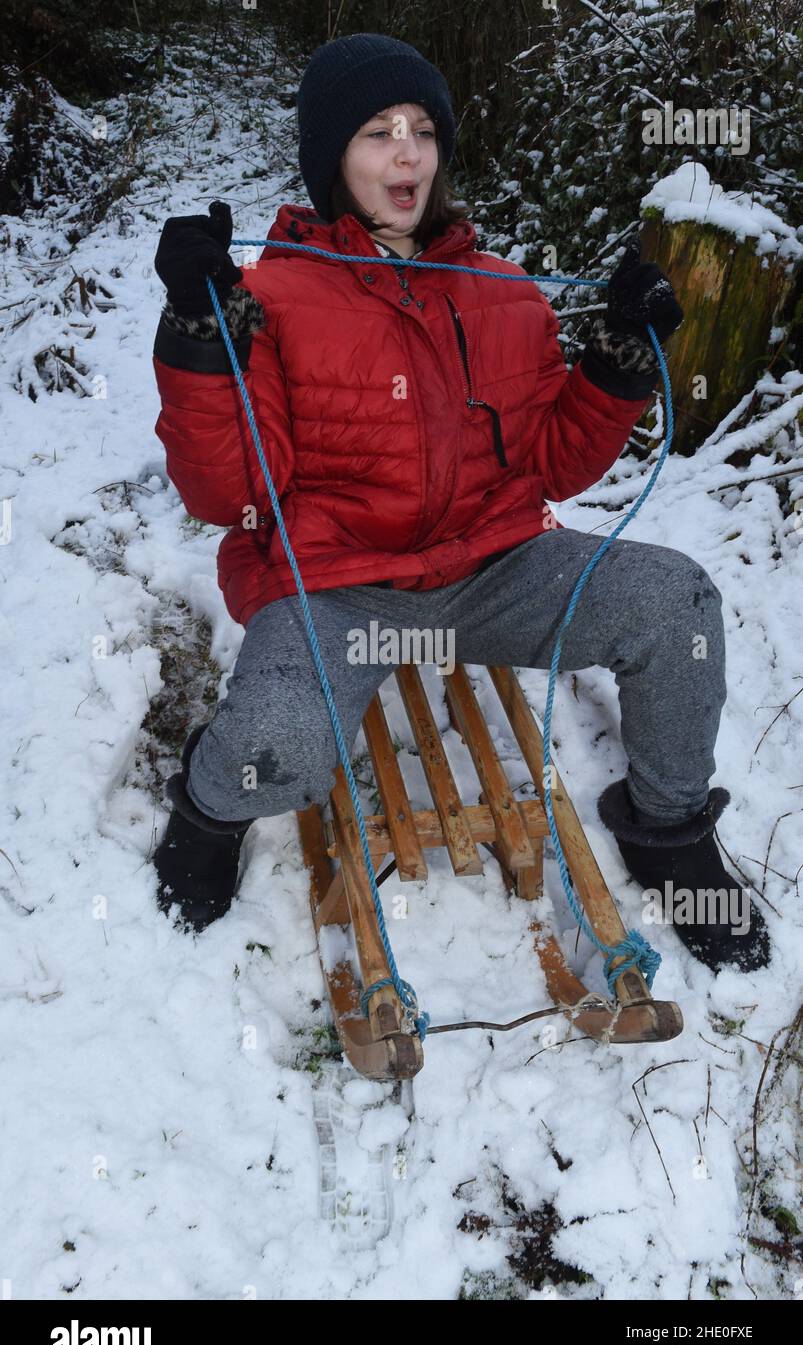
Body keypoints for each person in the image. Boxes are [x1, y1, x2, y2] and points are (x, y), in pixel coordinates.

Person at [150, 32, 769, 973]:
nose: (407, 154)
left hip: (497, 567)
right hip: (341, 585)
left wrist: (615, 364)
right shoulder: (266, 298)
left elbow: (554, 465)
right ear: (331, 160)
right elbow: (228, 494)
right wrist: (199, 337)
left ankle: (665, 823)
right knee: (274, 750)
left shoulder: (503, 290)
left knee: (672, 601)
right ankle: (207, 804)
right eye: (375, 133)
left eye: (422, 130)